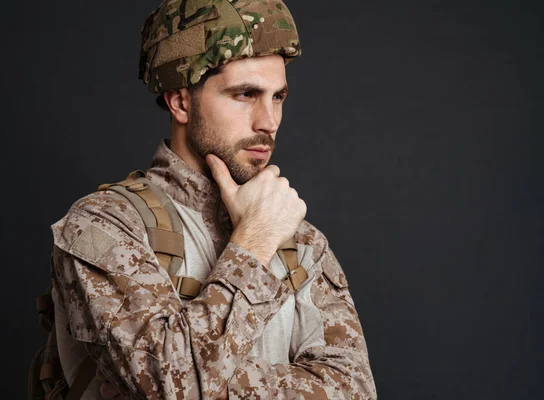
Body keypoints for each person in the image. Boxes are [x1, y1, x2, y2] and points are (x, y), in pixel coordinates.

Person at [50, 0, 377, 398]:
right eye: (245, 94)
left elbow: (355, 390)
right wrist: (254, 241)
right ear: (181, 101)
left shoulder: (300, 239)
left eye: (278, 97)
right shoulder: (104, 225)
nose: (269, 122)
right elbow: (172, 385)